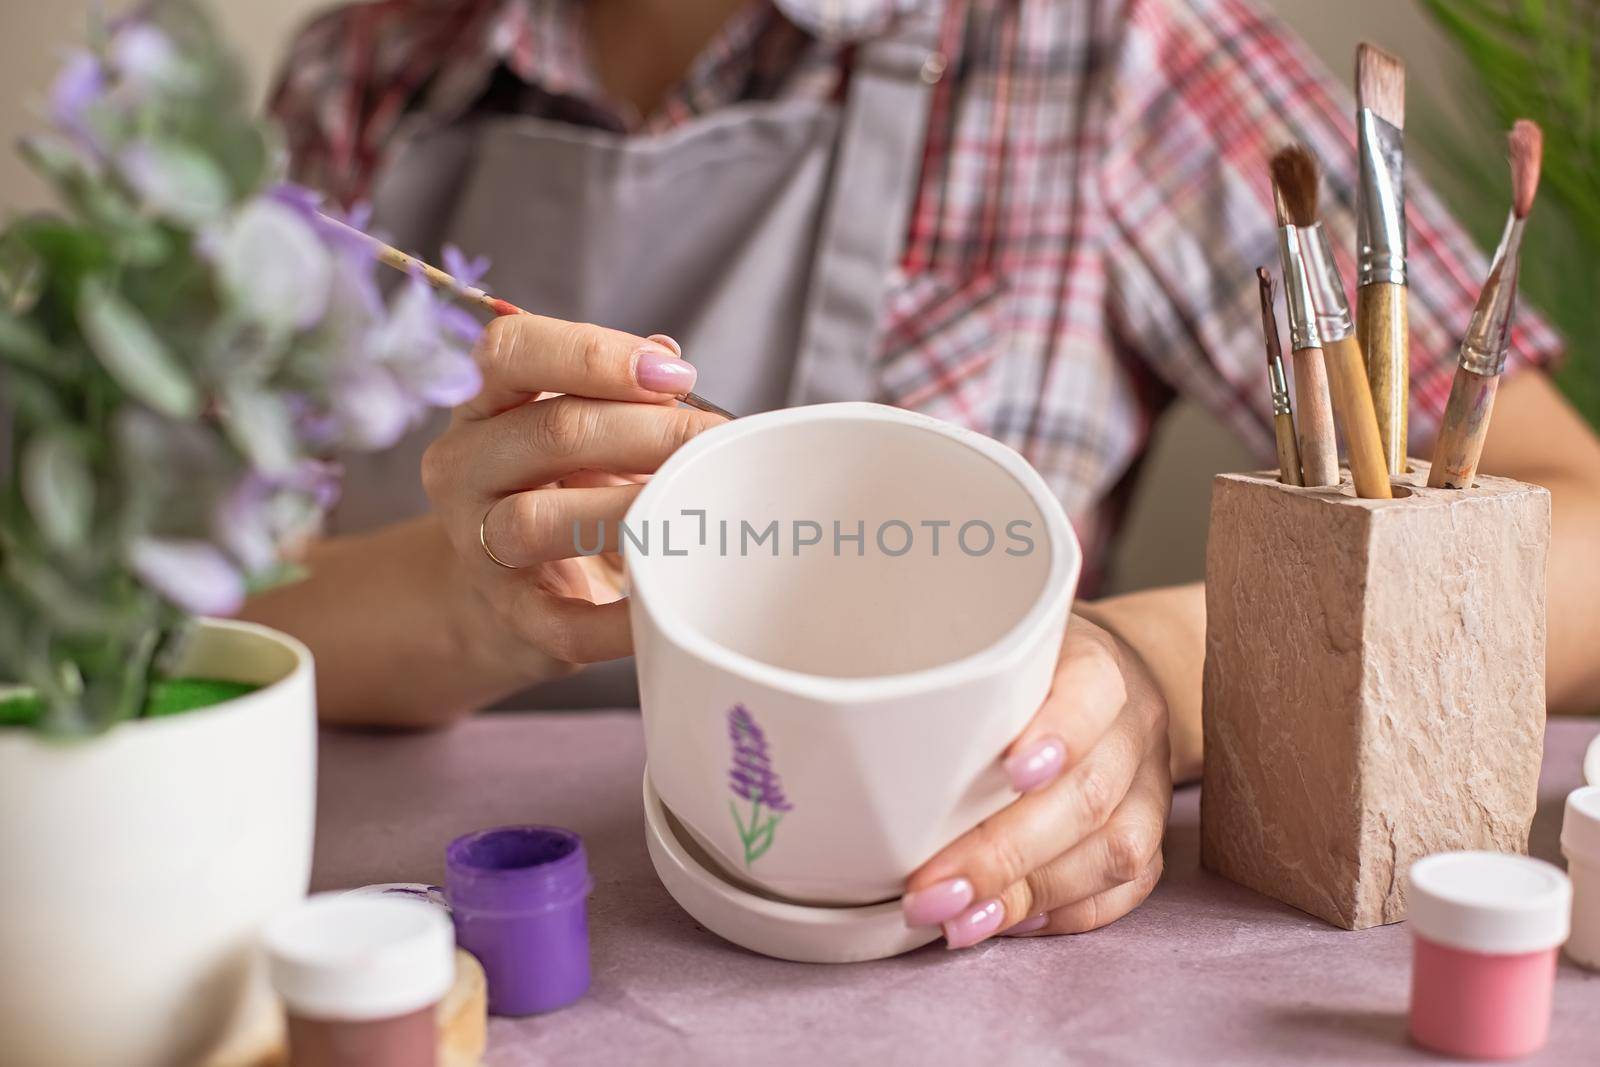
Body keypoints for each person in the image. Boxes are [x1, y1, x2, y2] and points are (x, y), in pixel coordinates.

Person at [251, 0, 1600, 950]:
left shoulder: (1111, 47)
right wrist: (476, 602)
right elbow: (191, 612)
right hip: (450, 931)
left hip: (966, 936)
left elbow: (1568, 527)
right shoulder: (369, 74)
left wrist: (1160, 677)